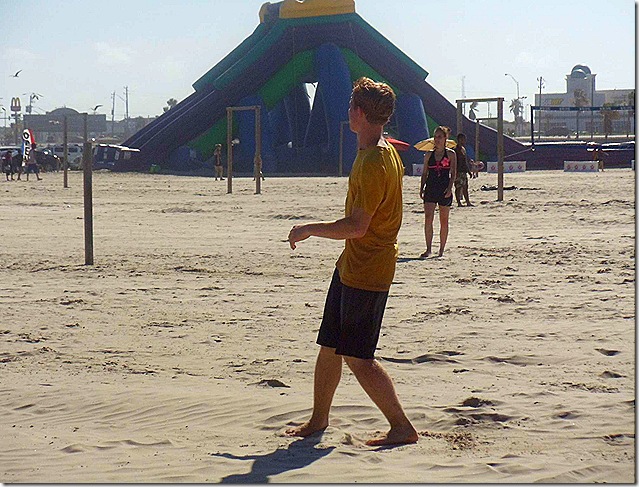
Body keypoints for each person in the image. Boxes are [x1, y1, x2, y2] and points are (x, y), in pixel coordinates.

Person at [286, 77, 418, 447]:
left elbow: (359, 227)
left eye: (350, 106)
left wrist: (309, 229)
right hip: (351, 265)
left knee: (358, 358)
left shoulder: (375, 161)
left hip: (369, 270)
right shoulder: (377, 150)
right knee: (330, 345)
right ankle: (318, 419)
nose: (347, 112)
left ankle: (402, 427)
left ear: (358, 113)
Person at [419, 126, 457, 258]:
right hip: (431, 187)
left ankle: (441, 250)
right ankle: (428, 249)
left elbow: (453, 173)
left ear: (445, 138)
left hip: (444, 188)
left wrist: (450, 188)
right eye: (435, 137)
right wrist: (421, 187)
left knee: (444, 220)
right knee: (428, 218)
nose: (437, 139)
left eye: (440, 137)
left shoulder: (451, 154)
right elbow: (424, 173)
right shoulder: (428, 155)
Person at [453, 133, 473, 207]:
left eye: (464, 139)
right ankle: (459, 202)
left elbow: (465, 161)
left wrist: (469, 171)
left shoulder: (463, 149)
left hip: (463, 171)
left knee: (465, 187)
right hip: (458, 171)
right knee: (458, 187)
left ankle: (468, 202)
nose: (464, 141)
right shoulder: (455, 150)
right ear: (458, 140)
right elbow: (454, 161)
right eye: (462, 139)